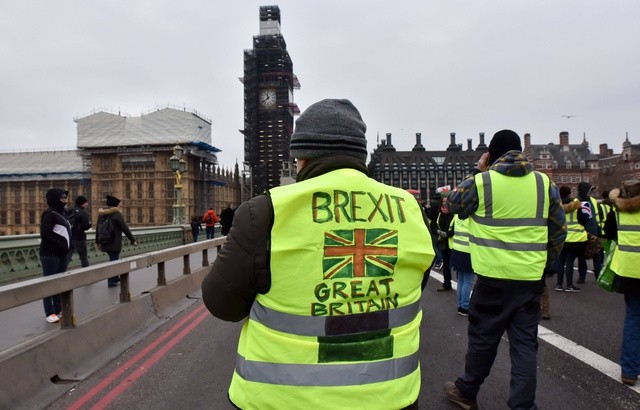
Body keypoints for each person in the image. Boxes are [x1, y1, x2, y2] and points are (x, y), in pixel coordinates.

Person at [201, 99, 435, 409]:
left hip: (282, 400)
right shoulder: (409, 209)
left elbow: (223, 305)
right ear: (360, 155)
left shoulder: (266, 211)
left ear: (301, 157)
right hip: (388, 398)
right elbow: (413, 287)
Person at [444, 130, 566, 410]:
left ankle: (466, 392)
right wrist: (544, 265)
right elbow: (559, 231)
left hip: (492, 279)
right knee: (525, 345)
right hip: (528, 280)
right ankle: (523, 405)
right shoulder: (543, 183)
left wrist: (478, 171)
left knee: (483, 340)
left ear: (491, 155)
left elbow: (453, 204)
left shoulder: (483, 181)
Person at [604, 179, 640, 387]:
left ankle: (629, 371)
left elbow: (609, 234)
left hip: (628, 269)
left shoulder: (617, 210)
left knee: (633, 318)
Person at [40, 188, 71, 323]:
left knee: (59, 283)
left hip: (62, 254)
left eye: (65, 198)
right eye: (63, 198)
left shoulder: (62, 214)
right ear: (54, 199)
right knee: (49, 283)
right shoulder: (49, 214)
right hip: (50, 254)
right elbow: (45, 234)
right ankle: (49, 312)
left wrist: (70, 248)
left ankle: (58, 310)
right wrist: (60, 246)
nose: (65, 200)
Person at [96, 195, 138, 287]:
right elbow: (125, 229)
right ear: (115, 205)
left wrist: (97, 242)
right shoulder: (117, 214)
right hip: (114, 242)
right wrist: (133, 240)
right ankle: (111, 281)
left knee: (113, 259)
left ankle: (115, 278)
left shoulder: (102, 214)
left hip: (105, 241)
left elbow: (97, 229)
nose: (120, 205)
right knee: (114, 261)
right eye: (119, 204)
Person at [554, 185, 588, 292]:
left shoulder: (556, 205)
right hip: (574, 239)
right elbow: (584, 219)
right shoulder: (576, 205)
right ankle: (569, 285)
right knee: (569, 263)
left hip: (560, 238)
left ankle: (559, 284)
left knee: (560, 262)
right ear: (569, 194)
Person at [449, 213, 475, 316]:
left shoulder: (456, 215)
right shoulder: (472, 217)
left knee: (461, 280)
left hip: (457, 249)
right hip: (468, 251)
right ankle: (465, 307)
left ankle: (460, 305)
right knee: (468, 281)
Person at [576, 181, 602, 284]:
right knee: (582, 256)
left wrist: (598, 230)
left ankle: (598, 276)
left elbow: (595, 217)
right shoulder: (577, 201)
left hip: (594, 231)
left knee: (596, 255)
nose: (591, 192)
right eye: (590, 190)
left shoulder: (593, 201)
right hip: (583, 232)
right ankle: (582, 276)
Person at [65, 195, 92, 268]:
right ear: (82, 203)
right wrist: (89, 224)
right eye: (86, 202)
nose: (87, 204)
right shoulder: (83, 212)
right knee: (83, 257)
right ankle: (86, 273)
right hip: (79, 238)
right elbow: (86, 226)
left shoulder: (70, 210)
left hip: (69, 237)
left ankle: (61, 272)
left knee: (67, 257)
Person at [435, 195, 455, 292]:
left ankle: (461, 287)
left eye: (446, 201)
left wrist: (447, 233)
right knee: (446, 266)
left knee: (456, 267)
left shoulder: (454, 214)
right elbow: (434, 226)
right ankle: (447, 284)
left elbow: (456, 229)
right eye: (443, 202)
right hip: (443, 243)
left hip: (453, 244)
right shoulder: (440, 214)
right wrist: (439, 232)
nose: (445, 204)